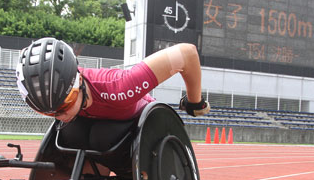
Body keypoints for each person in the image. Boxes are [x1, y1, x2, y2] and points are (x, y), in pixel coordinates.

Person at [16, 37, 209, 128]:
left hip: (146, 123)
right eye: (48, 112)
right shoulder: (54, 92)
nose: (60, 116)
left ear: (79, 82)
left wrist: (194, 101)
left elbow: (187, 53)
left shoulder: (120, 87)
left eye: (65, 104)